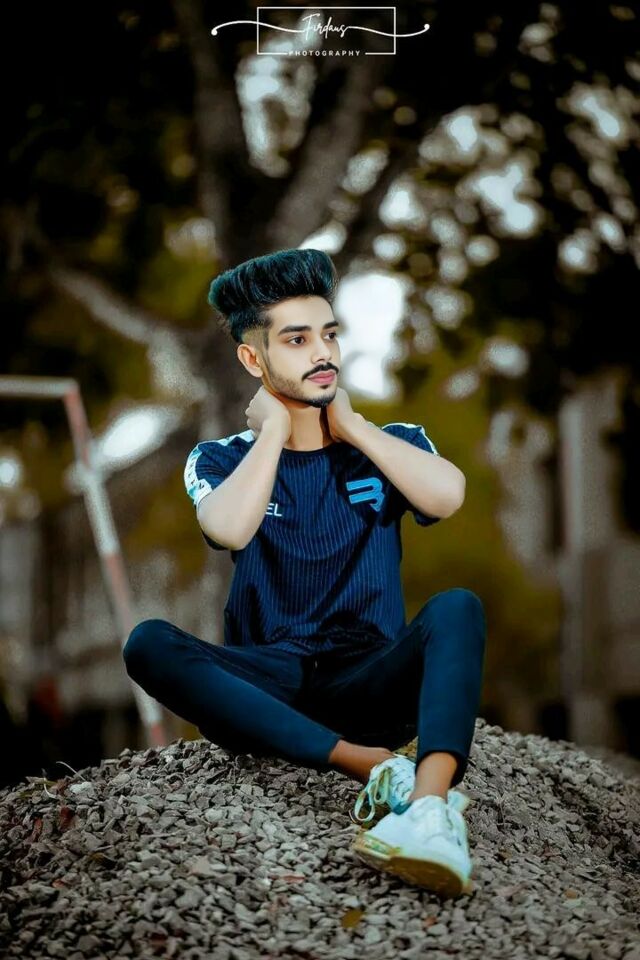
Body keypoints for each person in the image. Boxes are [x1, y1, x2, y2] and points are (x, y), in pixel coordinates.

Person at [123, 248, 486, 897]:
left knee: (458, 605)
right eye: (296, 340)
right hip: (269, 693)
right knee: (147, 642)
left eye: (329, 334)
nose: (322, 353)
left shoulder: (392, 443)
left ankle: (428, 808)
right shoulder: (219, 458)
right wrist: (270, 436)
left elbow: (447, 497)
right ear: (253, 359)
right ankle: (372, 767)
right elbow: (228, 530)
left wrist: (355, 428)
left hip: (369, 681)